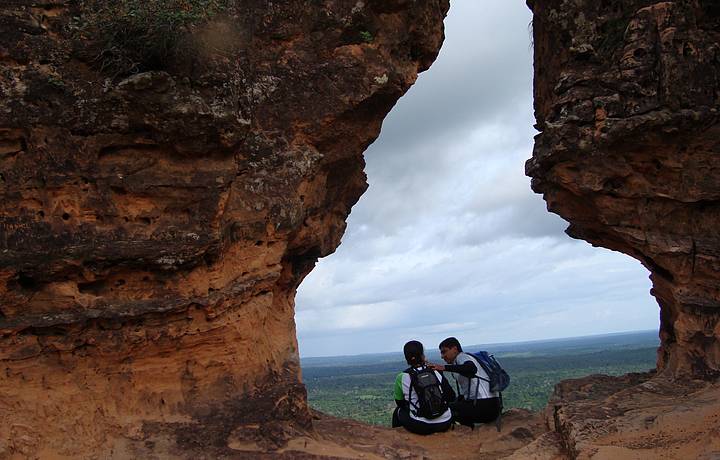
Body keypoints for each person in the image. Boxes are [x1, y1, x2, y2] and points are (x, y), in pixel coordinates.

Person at [428, 337, 501, 427]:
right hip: (493, 406)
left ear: (455, 349)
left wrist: (444, 367)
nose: (442, 356)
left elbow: (471, 368)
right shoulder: (461, 360)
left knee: (444, 410)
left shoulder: (462, 356)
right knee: (455, 403)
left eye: (444, 351)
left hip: (484, 406)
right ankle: (470, 430)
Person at [391, 340, 455, 435]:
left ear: (406, 358)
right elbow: (451, 396)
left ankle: (395, 438)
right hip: (445, 422)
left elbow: (400, 403)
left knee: (398, 411)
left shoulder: (402, 377)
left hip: (421, 426)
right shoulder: (436, 370)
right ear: (422, 355)